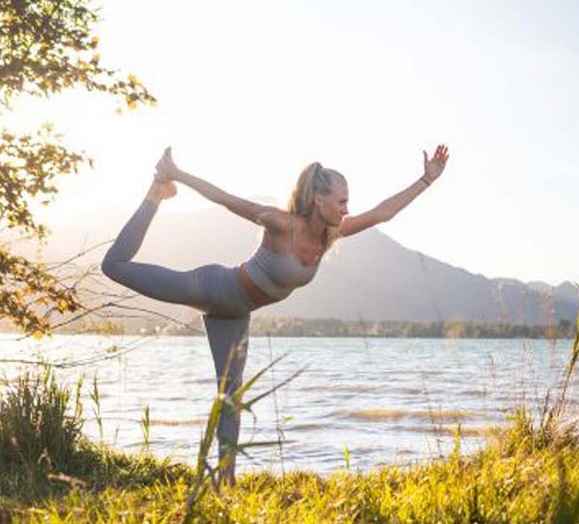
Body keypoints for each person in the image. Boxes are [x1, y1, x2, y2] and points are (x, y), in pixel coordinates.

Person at [101, 144, 451, 483]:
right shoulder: (282, 224)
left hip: (235, 315)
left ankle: (225, 482)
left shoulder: (332, 234)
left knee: (230, 396)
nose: (347, 209)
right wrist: (178, 175)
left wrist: (426, 180)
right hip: (211, 287)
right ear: (319, 200)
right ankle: (156, 193)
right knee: (114, 266)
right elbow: (225, 198)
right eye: (341, 201)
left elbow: (382, 212)